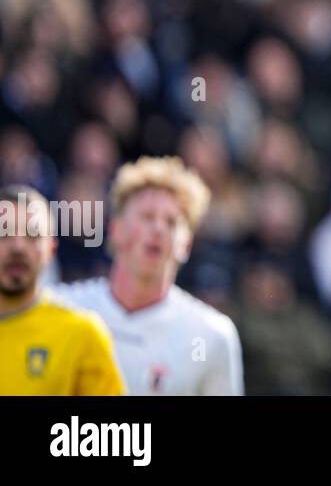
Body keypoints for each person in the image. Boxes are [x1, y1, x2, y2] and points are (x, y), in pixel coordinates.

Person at [54, 157, 243, 394]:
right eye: (147, 216)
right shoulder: (60, 308)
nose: (158, 229)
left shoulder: (209, 336)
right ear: (115, 230)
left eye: (171, 222)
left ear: (186, 244)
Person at [0, 185, 124, 395]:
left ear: (51, 249)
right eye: (4, 233)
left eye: (32, 235)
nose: (18, 247)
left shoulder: (82, 334)